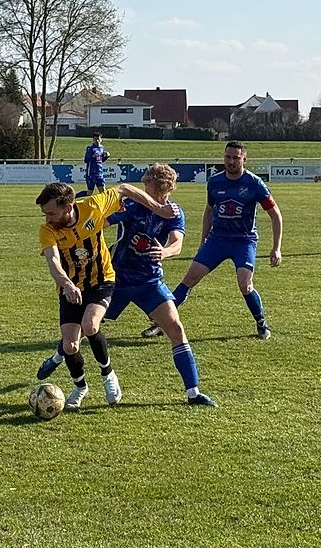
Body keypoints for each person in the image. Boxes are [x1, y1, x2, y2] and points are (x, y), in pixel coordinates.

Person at [38, 164, 217, 406]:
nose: (145, 192)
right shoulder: (131, 206)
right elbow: (99, 221)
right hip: (117, 277)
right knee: (83, 328)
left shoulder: (173, 212)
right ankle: (60, 356)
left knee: (175, 328)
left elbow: (178, 243)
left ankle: (193, 392)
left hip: (149, 280)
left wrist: (165, 252)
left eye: (151, 188)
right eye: (145, 187)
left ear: (164, 190)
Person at [142, 141, 282, 340]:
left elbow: (275, 215)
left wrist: (276, 248)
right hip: (217, 240)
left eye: (236, 158)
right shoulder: (215, 181)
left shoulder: (254, 183)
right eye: (228, 157)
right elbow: (209, 211)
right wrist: (203, 240)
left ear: (244, 159)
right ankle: (160, 324)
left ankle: (261, 323)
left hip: (243, 241)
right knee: (189, 279)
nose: (231, 161)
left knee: (245, 284)